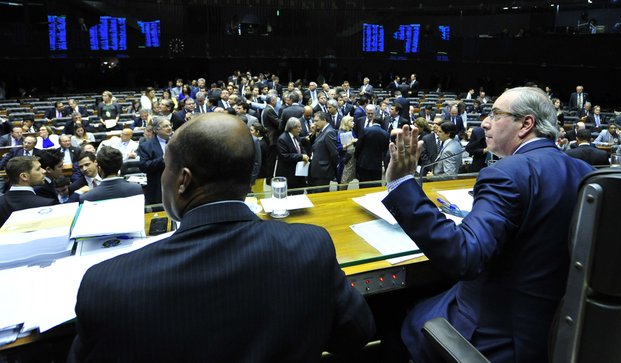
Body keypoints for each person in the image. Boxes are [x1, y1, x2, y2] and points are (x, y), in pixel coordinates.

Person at [68, 113, 374, 361]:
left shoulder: (108, 284)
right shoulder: (311, 246)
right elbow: (357, 334)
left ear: (183, 180)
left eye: (167, 169)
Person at [381, 86, 593, 362]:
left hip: (494, 336)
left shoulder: (507, 173)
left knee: (393, 315)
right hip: (552, 333)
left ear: (526, 124)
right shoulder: (586, 173)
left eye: (495, 114)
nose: (484, 122)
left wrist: (400, 184)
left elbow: (464, 255)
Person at [1, 156, 57, 227]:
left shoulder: (1, 203)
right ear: (24, 176)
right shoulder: (47, 205)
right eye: (38, 169)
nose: (44, 171)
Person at [137, 116, 171, 204]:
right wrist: (162, 159)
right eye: (165, 126)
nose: (169, 128)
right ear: (156, 130)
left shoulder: (177, 141)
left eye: (170, 125)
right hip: (158, 186)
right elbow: (144, 166)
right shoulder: (146, 146)